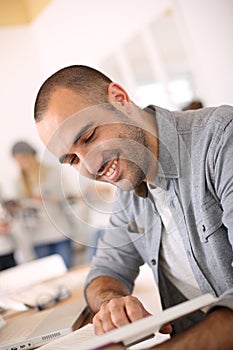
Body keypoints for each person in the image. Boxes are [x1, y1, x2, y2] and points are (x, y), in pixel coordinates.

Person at [33, 65, 233, 349]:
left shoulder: (222, 139)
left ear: (119, 99)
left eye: (89, 137)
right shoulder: (130, 187)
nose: (91, 167)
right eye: (73, 160)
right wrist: (111, 302)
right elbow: (104, 270)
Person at [11, 141, 74, 268]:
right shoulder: (19, 182)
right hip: (37, 236)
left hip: (59, 232)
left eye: (23, 158)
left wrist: (46, 197)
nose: (21, 163)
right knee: (47, 273)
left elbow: (67, 196)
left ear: (31, 156)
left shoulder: (52, 173)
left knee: (66, 269)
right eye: (17, 160)